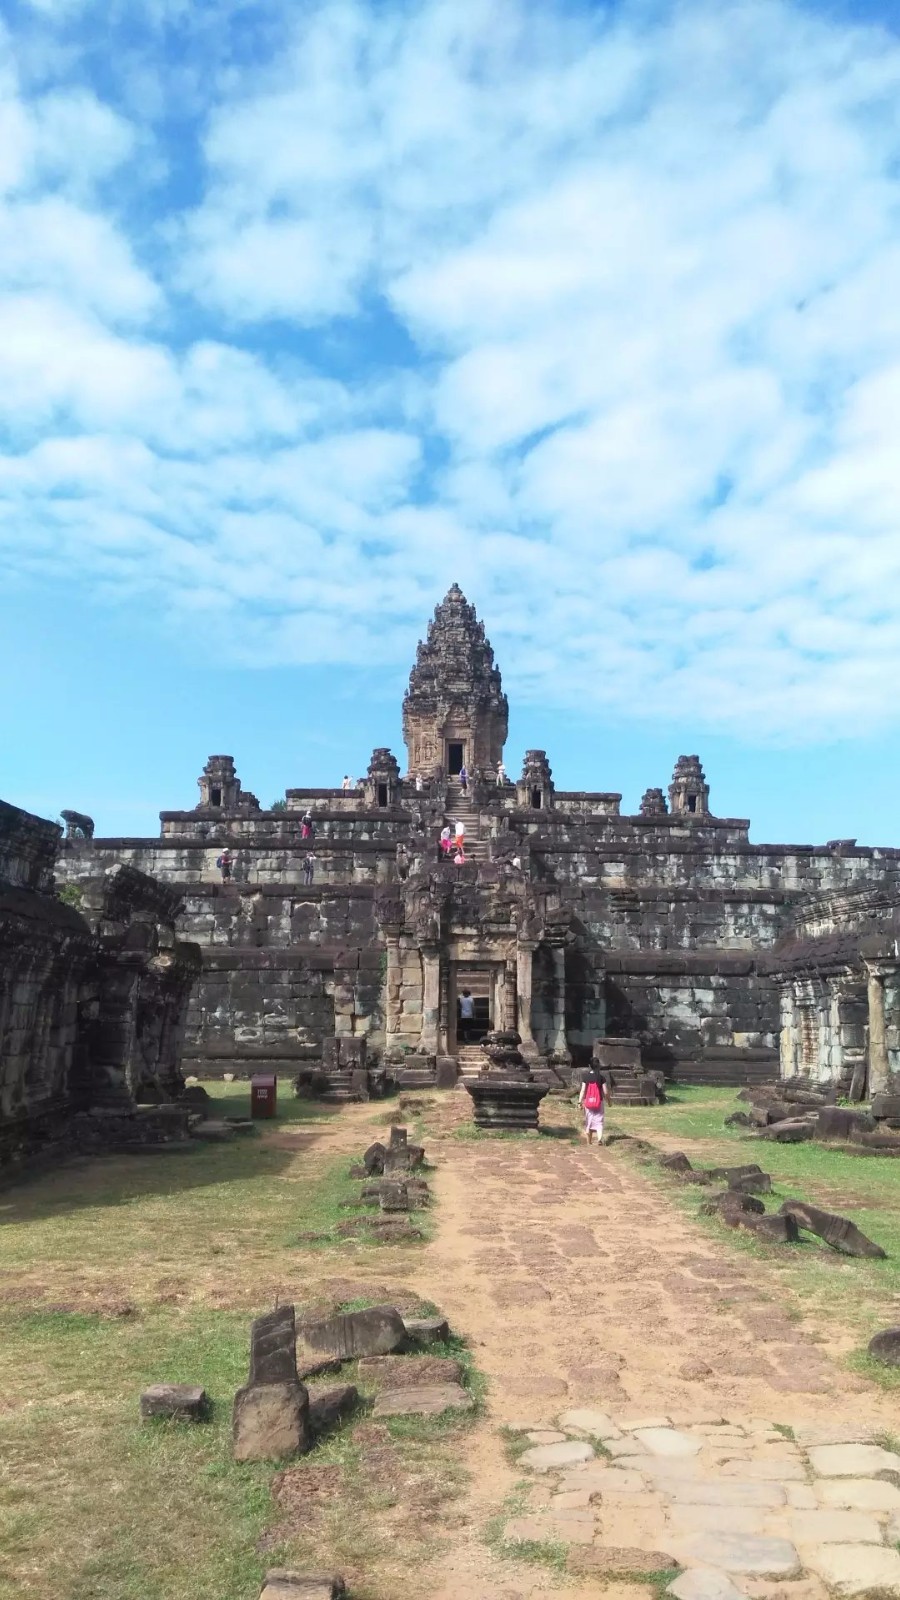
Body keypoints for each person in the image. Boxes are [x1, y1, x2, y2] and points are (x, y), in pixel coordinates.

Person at [578, 1064, 608, 1147]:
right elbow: (605, 1092)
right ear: (598, 1066)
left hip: (588, 1102)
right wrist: (609, 1101)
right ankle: (599, 1139)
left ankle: (589, 1141)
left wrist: (579, 1102)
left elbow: (583, 1091)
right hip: (599, 1102)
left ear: (589, 1066)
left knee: (589, 1120)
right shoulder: (601, 1078)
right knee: (599, 1121)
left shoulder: (586, 1077)